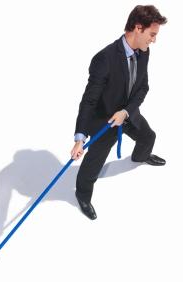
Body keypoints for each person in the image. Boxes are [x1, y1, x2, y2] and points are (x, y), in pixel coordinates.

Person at [70, 5, 167, 220]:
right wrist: (80, 138)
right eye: (152, 34)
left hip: (128, 113)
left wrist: (126, 111)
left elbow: (143, 87)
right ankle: (82, 195)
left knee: (148, 137)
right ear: (138, 28)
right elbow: (89, 100)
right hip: (105, 121)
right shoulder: (104, 59)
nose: (154, 40)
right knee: (92, 166)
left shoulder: (144, 52)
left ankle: (140, 157)